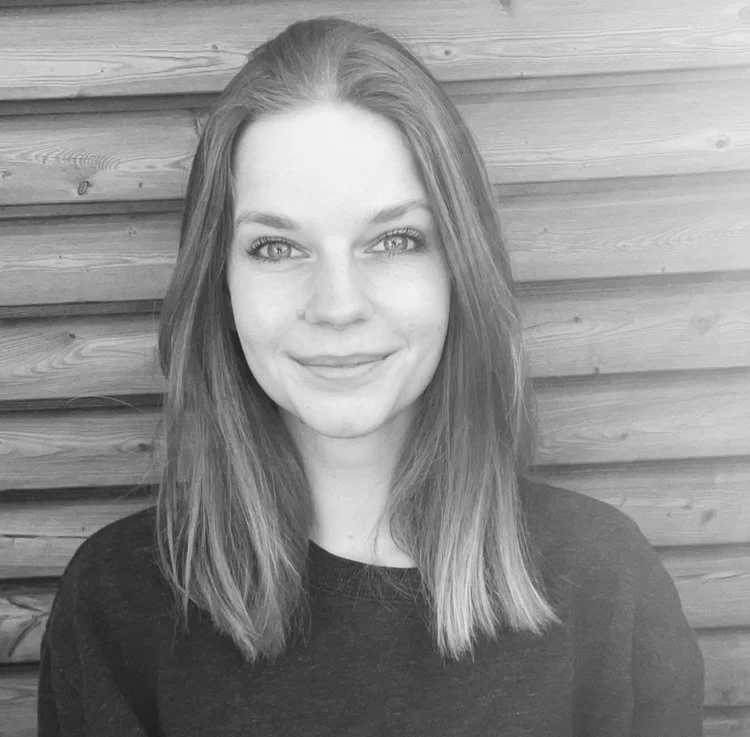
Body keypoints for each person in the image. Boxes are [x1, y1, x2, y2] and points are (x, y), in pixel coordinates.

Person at [37, 16, 704, 736]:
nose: (338, 305)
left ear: (459, 269)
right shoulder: (116, 607)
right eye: (276, 247)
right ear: (219, 283)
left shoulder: (607, 587)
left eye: (394, 240)